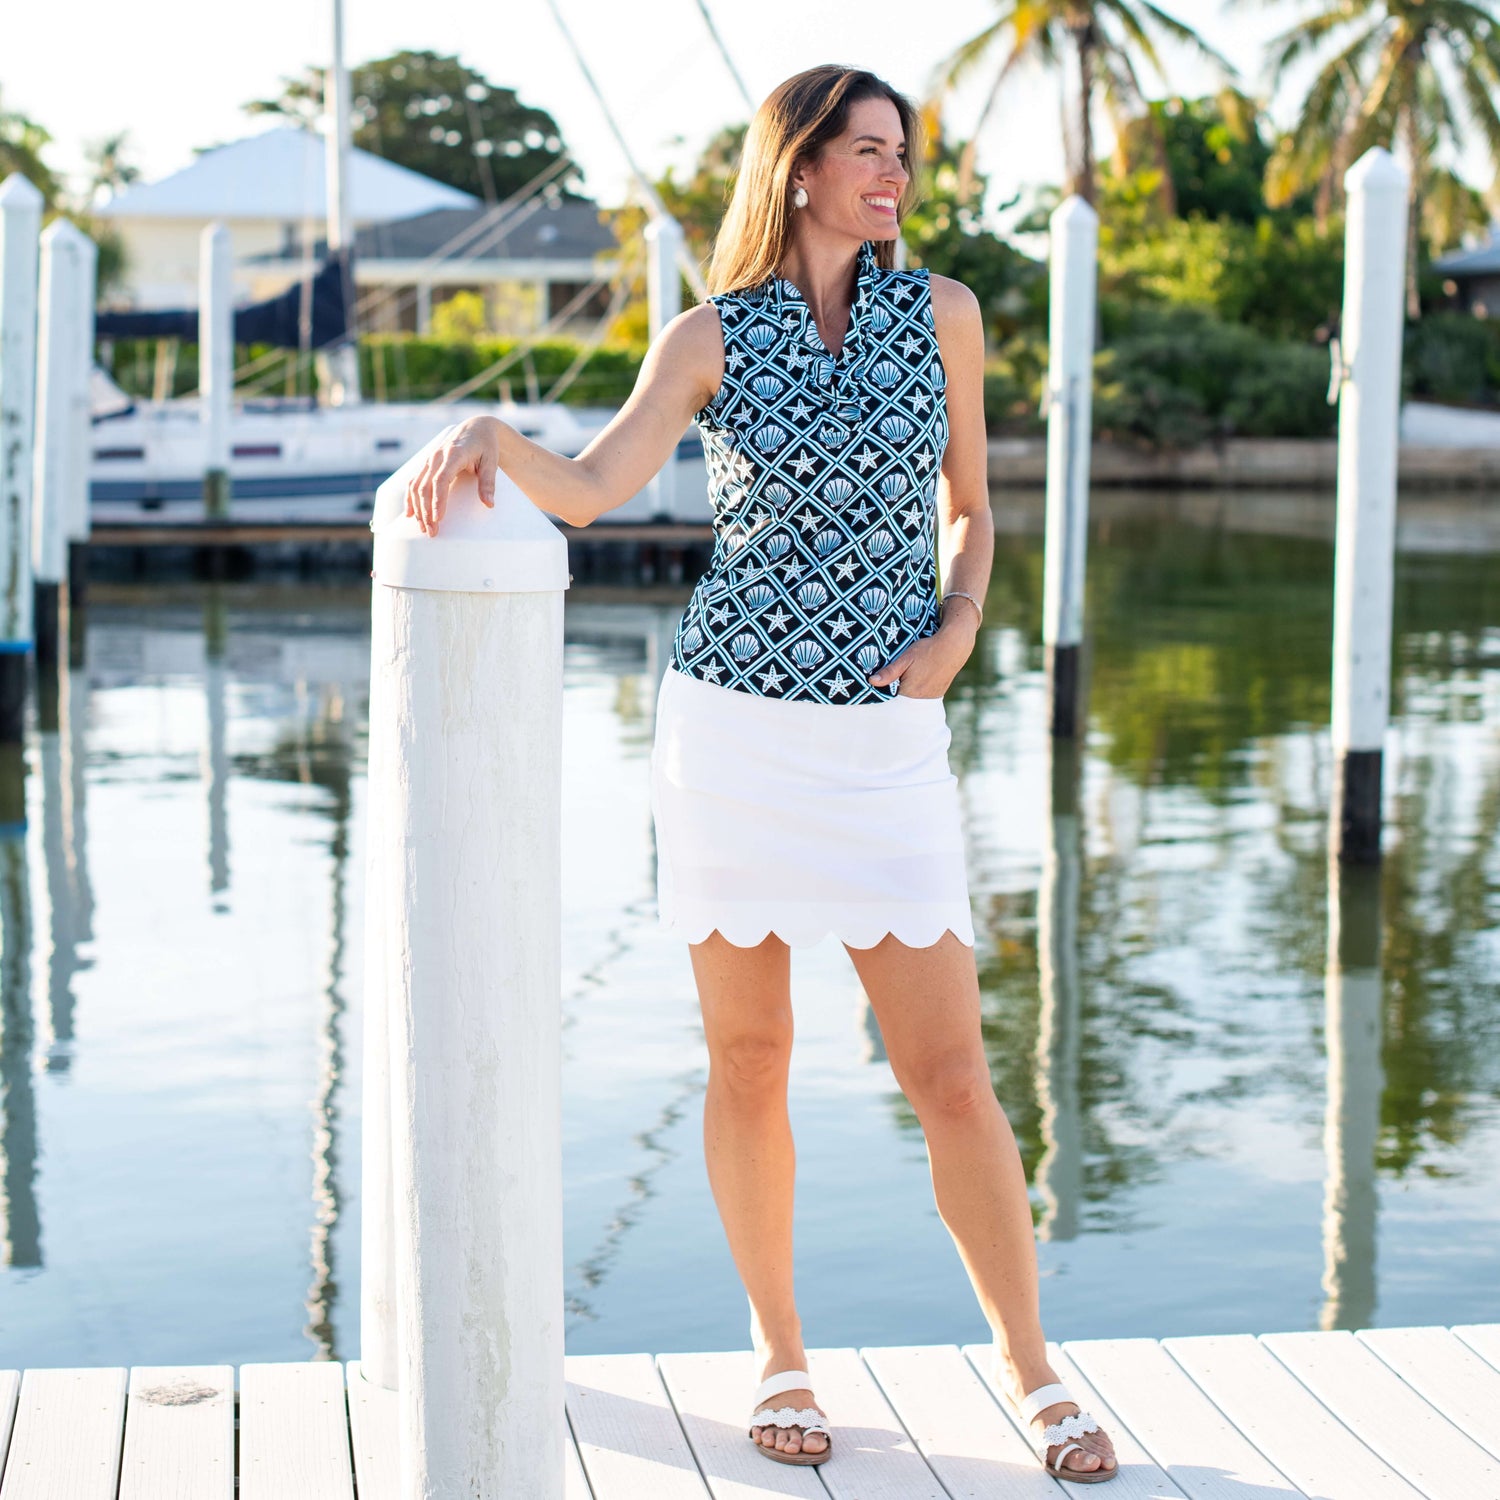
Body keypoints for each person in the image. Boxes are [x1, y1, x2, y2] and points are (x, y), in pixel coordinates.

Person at [404, 63, 1118, 1486]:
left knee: (954, 1075)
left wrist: (960, 625)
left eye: (902, 155)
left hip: (884, 740)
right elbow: (599, 485)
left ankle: (1035, 1369)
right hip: (731, 734)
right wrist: (490, 436)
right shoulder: (714, 334)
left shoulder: (945, 316)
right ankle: (781, 1354)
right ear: (798, 169)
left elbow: (973, 509)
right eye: (866, 152)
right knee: (750, 1058)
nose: (894, 176)